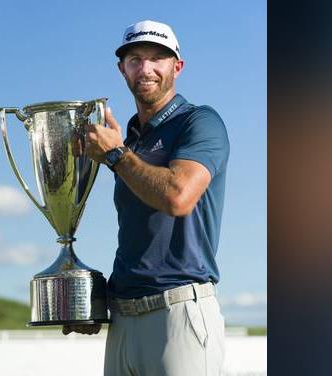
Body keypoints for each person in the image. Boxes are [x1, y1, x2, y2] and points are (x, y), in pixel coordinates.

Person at [63, 20, 230, 375]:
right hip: (123, 318)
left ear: (177, 67)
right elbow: (141, 235)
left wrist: (115, 155)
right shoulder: (131, 139)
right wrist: (94, 300)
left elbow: (178, 197)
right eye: (135, 58)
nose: (146, 68)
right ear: (122, 68)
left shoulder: (199, 122)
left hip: (179, 314)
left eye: (158, 58)